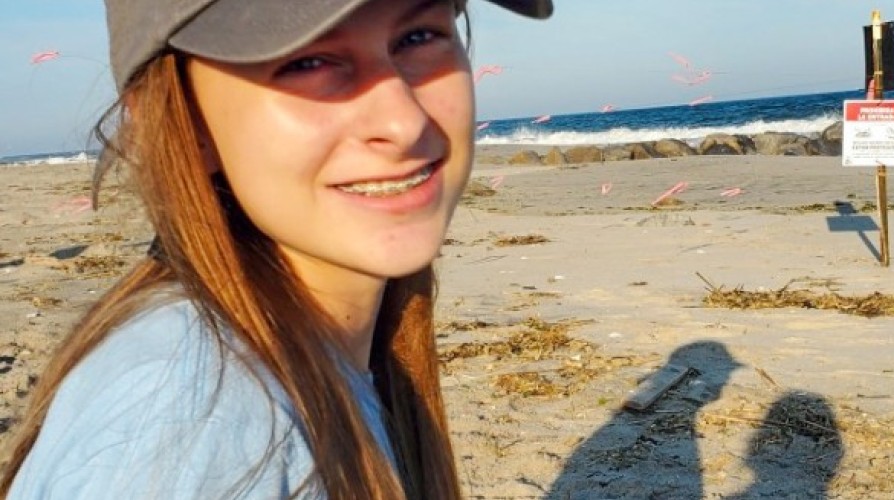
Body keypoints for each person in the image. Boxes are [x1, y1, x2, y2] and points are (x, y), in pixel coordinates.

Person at [1, 0, 552, 498]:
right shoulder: (204, 423)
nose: (403, 122)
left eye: (418, 37)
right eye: (305, 62)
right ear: (185, 123)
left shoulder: (319, 358)